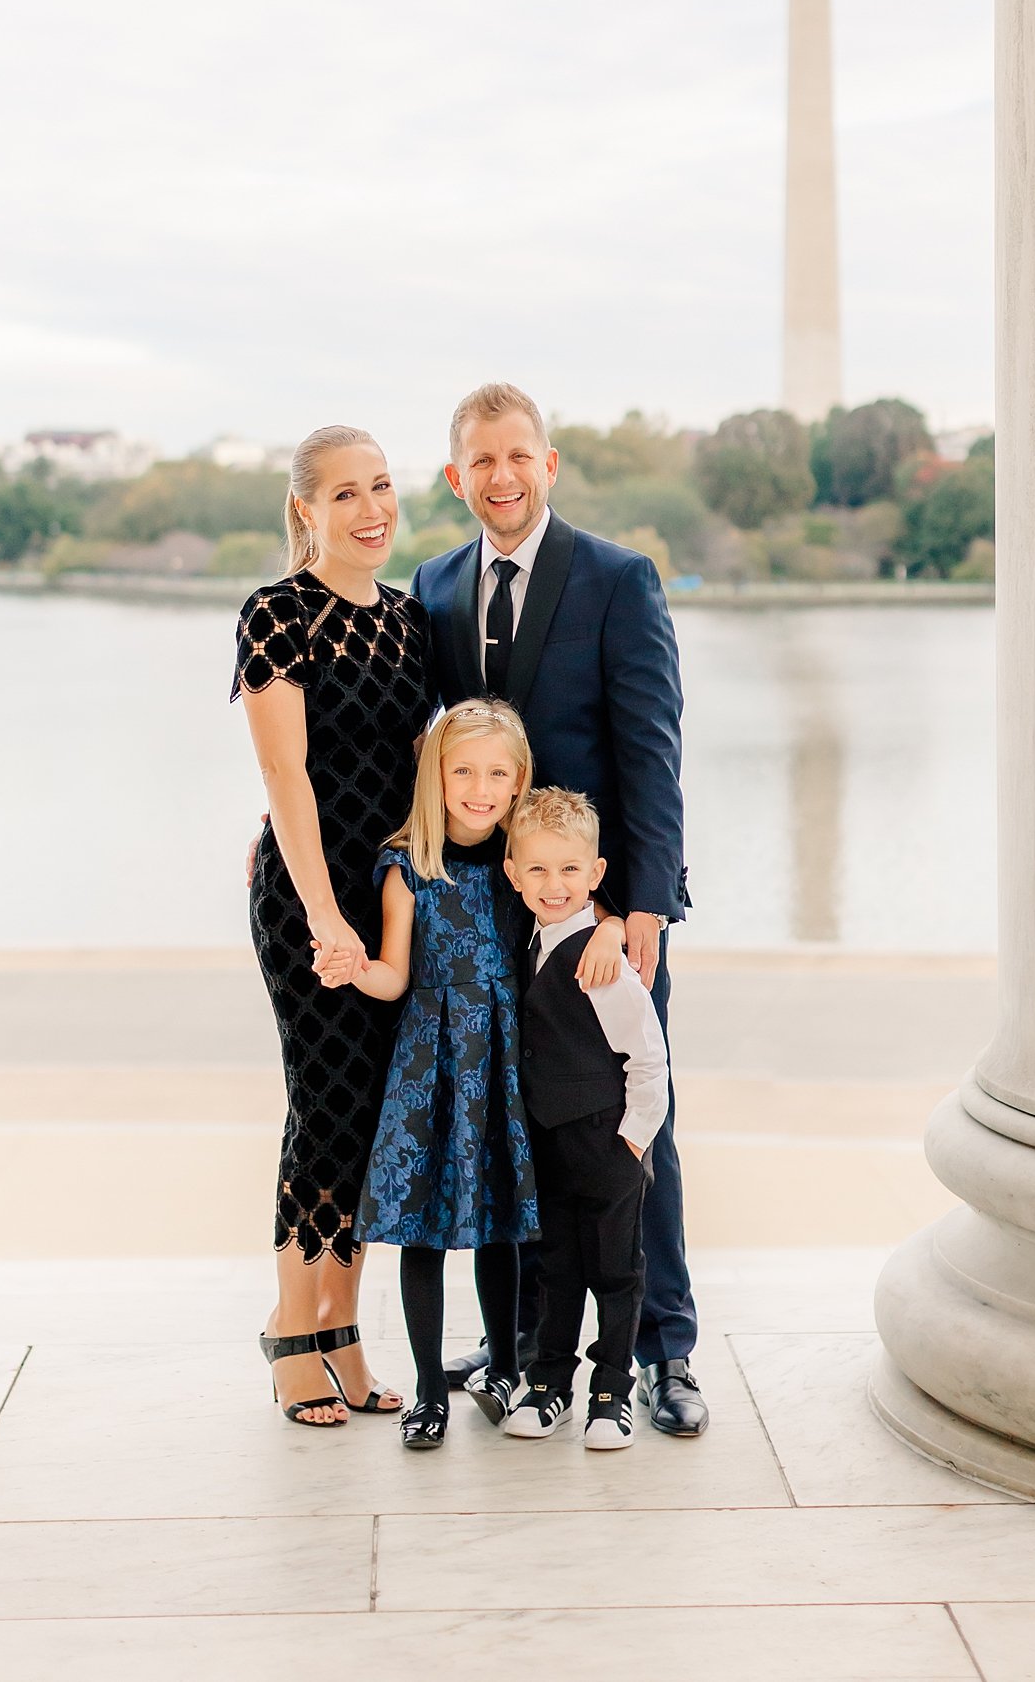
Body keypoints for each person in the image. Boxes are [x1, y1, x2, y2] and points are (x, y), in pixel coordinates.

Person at [413, 381, 707, 1438]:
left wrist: (645, 909)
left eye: (518, 457)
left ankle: (666, 1349)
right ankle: (528, 1344)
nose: (502, 477)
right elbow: (433, 752)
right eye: (481, 461)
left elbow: (652, 753)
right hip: (496, 921)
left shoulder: (618, 580)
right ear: (457, 477)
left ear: (550, 465)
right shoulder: (436, 583)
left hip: (600, 916)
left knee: (635, 1129)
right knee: (520, 1128)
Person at [233, 425, 434, 1427]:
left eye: (383, 488)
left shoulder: (409, 621)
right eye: (346, 494)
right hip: (308, 901)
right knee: (323, 1105)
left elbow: (430, 768)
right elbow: (284, 777)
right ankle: (291, 1328)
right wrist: (322, 915)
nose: (371, 512)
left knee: (370, 1118)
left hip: (388, 897)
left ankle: (346, 1330)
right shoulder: (277, 613)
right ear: (307, 510)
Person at [354, 700, 622, 1449]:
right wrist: (355, 968)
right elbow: (393, 975)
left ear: (519, 781)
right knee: (424, 1232)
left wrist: (607, 923)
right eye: (463, 770)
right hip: (432, 1064)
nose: (479, 787)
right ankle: (427, 1393)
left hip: (507, 1059)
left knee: (504, 1222)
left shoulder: (520, 864)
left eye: (496, 773)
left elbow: (569, 902)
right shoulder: (408, 868)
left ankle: (507, 1366)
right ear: (435, 775)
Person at [501, 787, 668, 1450]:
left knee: (617, 1274)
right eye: (537, 869)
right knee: (558, 1270)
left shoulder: (603, 964)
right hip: (548, 1143)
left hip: (605, 1145)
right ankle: (548, 1387)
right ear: (513, 874)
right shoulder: (528, 947)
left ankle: (610, 1395)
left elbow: (648, 1061)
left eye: (570, 870)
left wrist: (630, 1145)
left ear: (596, 876)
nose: (553, 885)